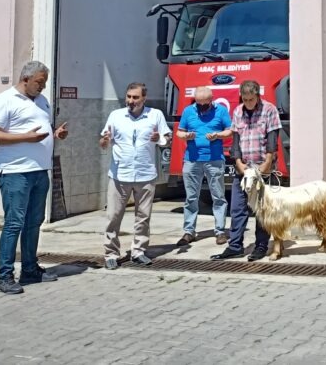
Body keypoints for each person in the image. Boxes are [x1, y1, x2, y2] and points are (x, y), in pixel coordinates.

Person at [0, 61, 68, 295]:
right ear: (26, 79)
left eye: (44, 82)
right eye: (39, 82)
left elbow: (39, 132)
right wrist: (25, 138)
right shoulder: (5, 100)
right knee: (14, 223)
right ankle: (5, 275)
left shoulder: (41, 101)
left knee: (34, 222)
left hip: (40, 170)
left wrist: (54, 135)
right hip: (14, 171)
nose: (42, 87)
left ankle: (30, 269)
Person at [99, 83, 172, 270]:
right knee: (113, 216)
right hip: (119, 174)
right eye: (129, 97)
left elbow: (167, 139)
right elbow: (103, 140)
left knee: (143, 216)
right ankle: (111, 253)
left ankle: (138, 251)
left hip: (145, 173)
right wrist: (104, 141)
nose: (131, 101)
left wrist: (160, 139)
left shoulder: (155, 115)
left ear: (144, 99)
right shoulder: (116, 116)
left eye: (135, 97)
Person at [212, 81, 282, 262]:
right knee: (237, 208)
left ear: (258, 95)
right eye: (245, 99)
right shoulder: (237, 111)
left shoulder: (269, 109)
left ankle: (260, 246)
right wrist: (237, 161)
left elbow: (273, 137)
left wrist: (268, 161)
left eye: (251, 99)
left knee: (262, 211)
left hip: (261, 168)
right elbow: (235, 139)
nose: (248, 103)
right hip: (243, 169)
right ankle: (235, 246)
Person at [175, 87, 231, 247]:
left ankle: (220, 231)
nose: (201, 107)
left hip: (214, 159)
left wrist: (218, 135)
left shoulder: (221, 111)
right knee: (191, 197)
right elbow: (179, 132)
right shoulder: (188, 111)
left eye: (204, 105)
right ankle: (188, 231)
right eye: (198, 104)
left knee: (218, 197)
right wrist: (186, 136)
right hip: (192, 160)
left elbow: (230, 131)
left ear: (211, 100)